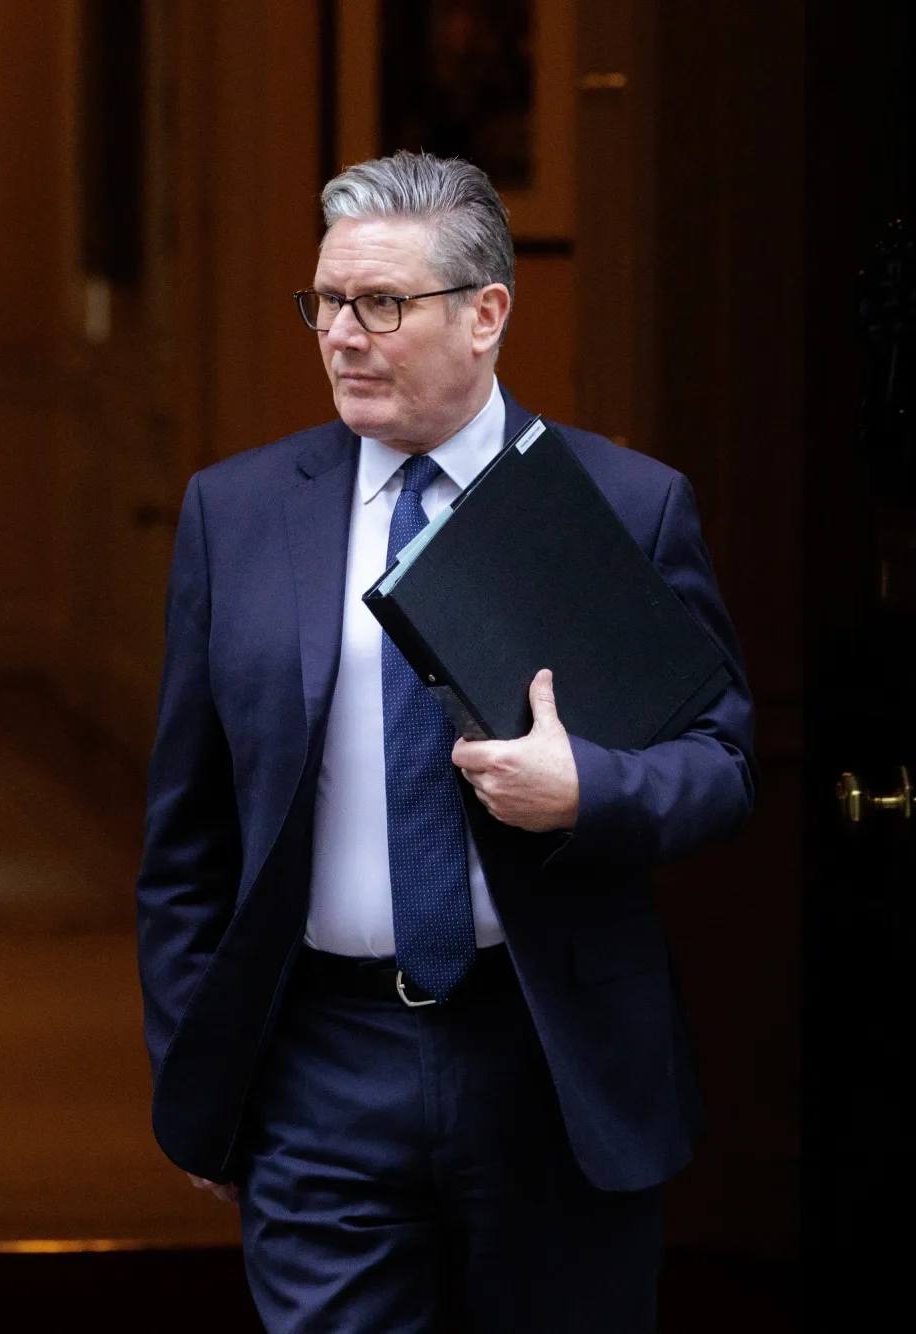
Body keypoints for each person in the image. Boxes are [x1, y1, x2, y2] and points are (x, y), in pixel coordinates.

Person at [135, 151, 756, 1332]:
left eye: (380, 303)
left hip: (549, 1057)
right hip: (320, 1061)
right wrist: (200, 1068)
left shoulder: (622, 504)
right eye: (324, 302)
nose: (341, 335)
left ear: (485, 315)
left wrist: (588, 790)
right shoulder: (238, 511)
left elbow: (722, 762)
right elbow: (187, 833)